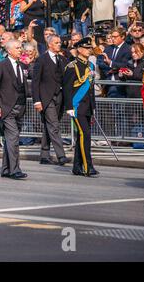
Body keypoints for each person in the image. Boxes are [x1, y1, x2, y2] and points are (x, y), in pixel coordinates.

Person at [0, 40, 28, 180]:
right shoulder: (1, 65)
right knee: (13, 139)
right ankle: (15, 170)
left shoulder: (21, 65)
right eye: (17, 48)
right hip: (7, 107)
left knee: (10, 140)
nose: (20, 50)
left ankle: (6, 169)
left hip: (20, 107)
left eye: (20, 47)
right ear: (9, 50)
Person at [32, 35, 71, 166]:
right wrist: (37, 100)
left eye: (60, 42)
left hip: (60, 97)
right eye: (56, 42)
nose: (59, 44)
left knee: (49, 126)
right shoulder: (41, 59)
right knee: (54, 126)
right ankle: (61, 156)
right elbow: (35, 81)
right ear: (49, 45)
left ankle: (44, 154)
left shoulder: (62, 59)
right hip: (46, 98)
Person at [63, 37, 98, 177]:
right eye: (86, 48)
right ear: (78, 49)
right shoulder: (72, 66)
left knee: (82, 137)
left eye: (90, 48)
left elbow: (90, 89)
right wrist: (69, 106)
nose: (89, 50)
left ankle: (77, 166)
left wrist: (93, 106)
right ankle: (87, 166)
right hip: (77, 106)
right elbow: (66, 88)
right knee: (85, 134)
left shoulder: (91, 66)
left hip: (87, 106)